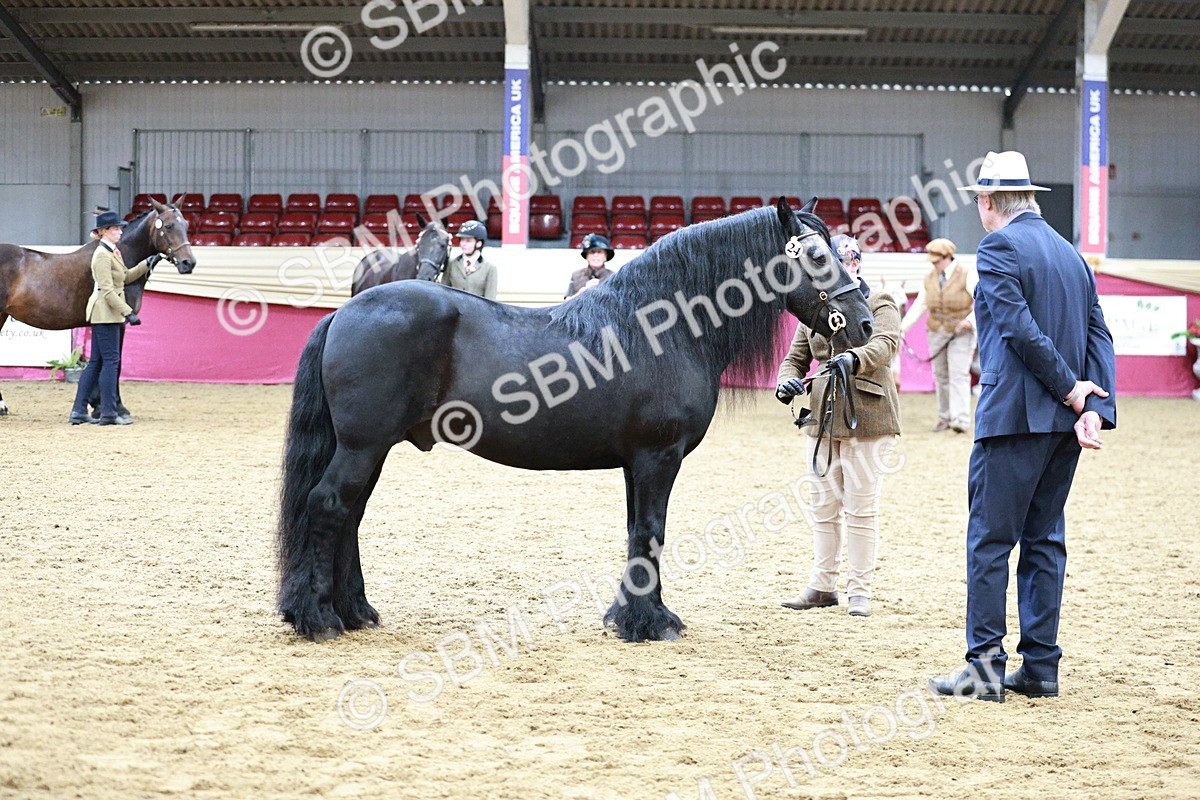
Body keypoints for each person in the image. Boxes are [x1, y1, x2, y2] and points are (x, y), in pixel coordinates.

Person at [928, 151, 1116, 702]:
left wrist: (1070, 389)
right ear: (1030, 197)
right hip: (1064, 428)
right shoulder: (1071, 254)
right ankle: (1040, 667)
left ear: (987, 202)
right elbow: (1098, 333)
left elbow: (1018, 331)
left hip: (1014, 421)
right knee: (1044, 542)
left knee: (989, 543)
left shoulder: (999, 246)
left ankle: (985, 669)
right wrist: (1090, 406)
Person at [775, 233, 902, 618]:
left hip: (869, 414)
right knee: (823, 507)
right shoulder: (814, 311)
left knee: (861, 509)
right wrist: (785, 382)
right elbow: (794, 359)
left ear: (856, 265)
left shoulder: (880, 301)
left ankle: (859, 592)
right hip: (822, 419)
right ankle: (822, 586)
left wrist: (854, 359)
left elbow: (886, 344)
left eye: (843, 263)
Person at [69, 210, 158, 426]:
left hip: (109, 313)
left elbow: (125, 277)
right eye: (116, 228)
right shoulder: (101, 255)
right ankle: (108, 413)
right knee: (110, 362)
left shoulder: (112, 252)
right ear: (103, 232)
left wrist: (147, 263)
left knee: (97, 362)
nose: (120, 231)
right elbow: (108, 291)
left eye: (119, 228)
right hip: (106, 313)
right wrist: (129, 312)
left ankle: (79, 411)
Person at [900, 237, 977, 433]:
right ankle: (945, 417)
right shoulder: (929, 278)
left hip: (961, 332)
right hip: (936, 331)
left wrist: (970, 321)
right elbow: (920, 305)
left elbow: (982, 301)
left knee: (958, 374)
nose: (934, 264)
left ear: (948, 257)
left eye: (937, 260)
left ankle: (960, 420)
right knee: (940, 375)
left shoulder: (967, 274)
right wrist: (901, 328)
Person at [441, 220, 497, 300]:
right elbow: (443, 292)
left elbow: (490, 299)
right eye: (462, 240)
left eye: (468, 241)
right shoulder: (451, 264)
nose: (463, 244)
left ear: (479, 243)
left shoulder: (489, 267)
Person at [565, 233, 615, 298]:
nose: (596, 255)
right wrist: (582, 292)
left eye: (600, 252)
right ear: (587, 256)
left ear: (605, 257)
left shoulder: (613, 277)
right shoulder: (576, 275)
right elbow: (566, 302)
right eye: (592, 252)